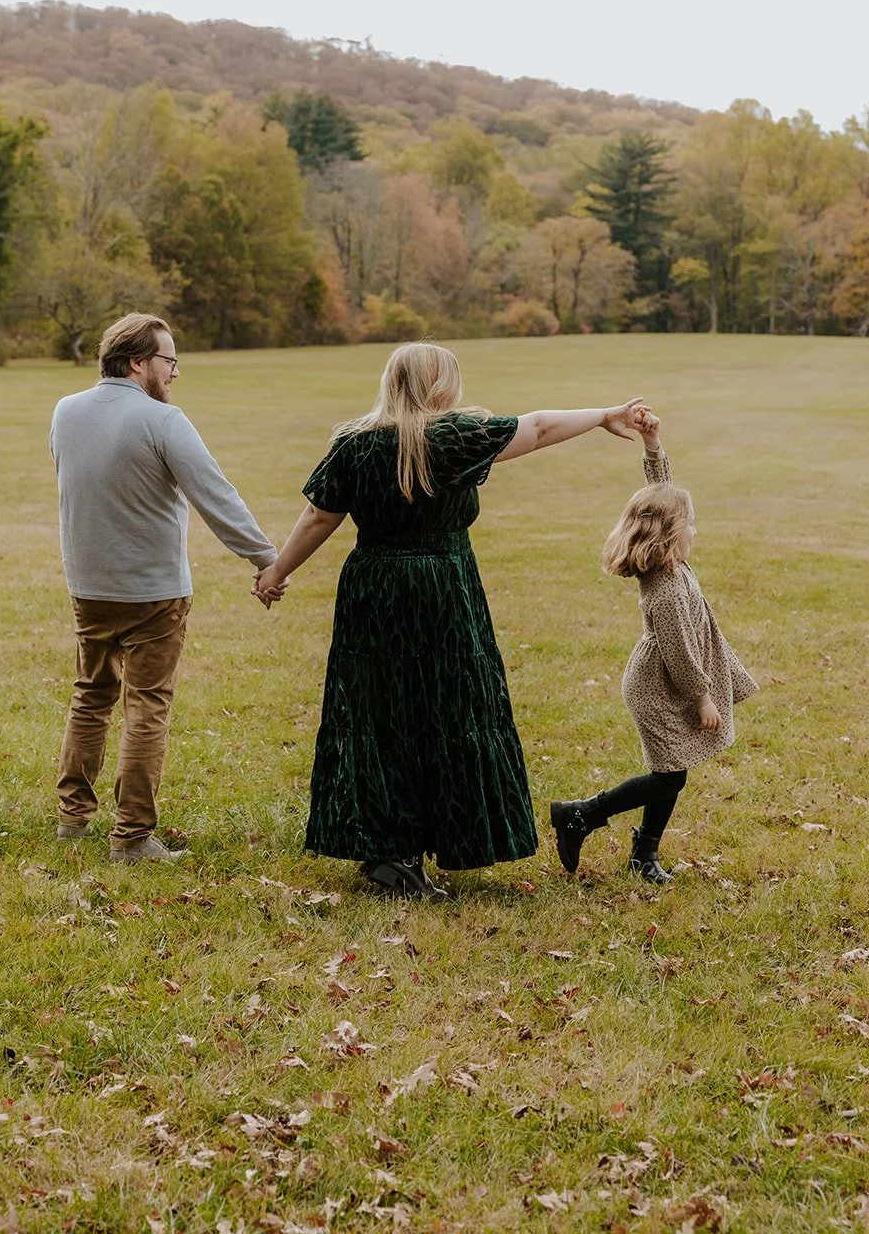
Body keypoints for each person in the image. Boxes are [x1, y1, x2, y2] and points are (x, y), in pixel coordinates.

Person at [252, 341, 648, 899]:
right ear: (441, 385)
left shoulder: (355, 443)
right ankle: (424, 843)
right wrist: (604, 414)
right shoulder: (455, 437)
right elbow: (536, 428)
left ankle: (390, 850)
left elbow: (320, 516)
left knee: (381, 710)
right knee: (447, 705)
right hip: (442, 586)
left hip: (377, 588)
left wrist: (275, 573)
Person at [50, 312, 279, 864]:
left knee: (90, 696)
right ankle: (131, 837)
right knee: (147, 705)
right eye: (168, 360)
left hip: (89, 586)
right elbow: (215, 496)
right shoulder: (163, 421)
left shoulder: (65, 411)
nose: (175, 373)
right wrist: (267, 558)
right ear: (138, 362)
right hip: (153, 592)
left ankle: (72, 818)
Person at [550, 413, 758, 884]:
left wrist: (652, 444)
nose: (696, 533)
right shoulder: (663, 587)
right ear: (669, 534)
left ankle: (643, 855)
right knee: (669, 774)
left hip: (665, 681)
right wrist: (702, 696)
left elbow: (662, 496)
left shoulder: (670, 560)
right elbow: (681, 653)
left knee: (673, 770)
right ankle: (581, 816)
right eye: (691, 526)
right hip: (658, 685)